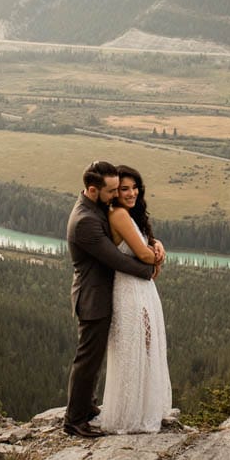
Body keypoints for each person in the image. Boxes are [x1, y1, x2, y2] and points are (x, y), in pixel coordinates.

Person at [64, 160, 158, 438]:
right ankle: (74, 420)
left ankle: (88, 405)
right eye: (112, 191)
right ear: (93, 190)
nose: (117, 195)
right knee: (88, 360)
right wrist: (149, 270)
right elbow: (116, 259)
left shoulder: (96, 209)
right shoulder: (86, 222)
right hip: (94, 297)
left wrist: (154, 244)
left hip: (104, 293)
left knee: (95, 357)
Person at [96, 165, 172, 433]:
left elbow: (146, 247)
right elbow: (142, 254)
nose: (131, 193)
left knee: (146, 347)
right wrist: (156, 255)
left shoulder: (128, 215)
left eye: (134, 187)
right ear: (115, 193)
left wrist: (157, 245)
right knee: (134, 349)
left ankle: (142, 409)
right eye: (124, 189)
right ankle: (129, 415)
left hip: (140, 288)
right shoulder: (118, 215)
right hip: (129, 289)